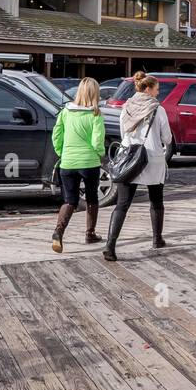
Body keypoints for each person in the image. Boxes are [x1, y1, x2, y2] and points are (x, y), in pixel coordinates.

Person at [102, 70, 173, 262]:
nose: (158, 93)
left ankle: (110, 245)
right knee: (156, 201)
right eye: (157, 89)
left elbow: (123, 132)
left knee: (122, 204)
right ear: (148, 89)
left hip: (129, 158)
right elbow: (167, 137)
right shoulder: (158, 109)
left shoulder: (126, 107)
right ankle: (157, 239)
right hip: (151, 158)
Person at [50, 77, 106, 252]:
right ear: (95, 93)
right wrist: (100, 154)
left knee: (70, 200)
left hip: (68, 162)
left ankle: (58, 231)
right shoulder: (95, 113)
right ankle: (90, 233)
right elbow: (97, 141)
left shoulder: (65, 112)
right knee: (91, 197)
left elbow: (56, 136)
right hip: (89, 162)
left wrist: (62, 153)